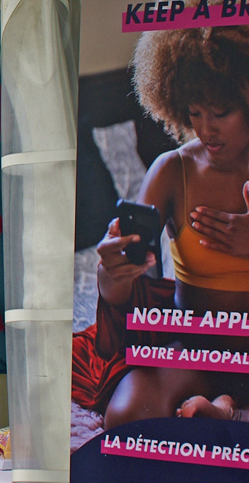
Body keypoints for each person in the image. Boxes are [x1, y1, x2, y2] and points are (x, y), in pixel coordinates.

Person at [96, 26, 249, 426]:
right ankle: (227, 406)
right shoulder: (172, 170)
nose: (205, 130)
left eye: (220, 113)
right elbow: (123, 290)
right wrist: (111, 272)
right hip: (196, 348)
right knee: (127, 416)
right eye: (194, 113)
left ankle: (228, 408)